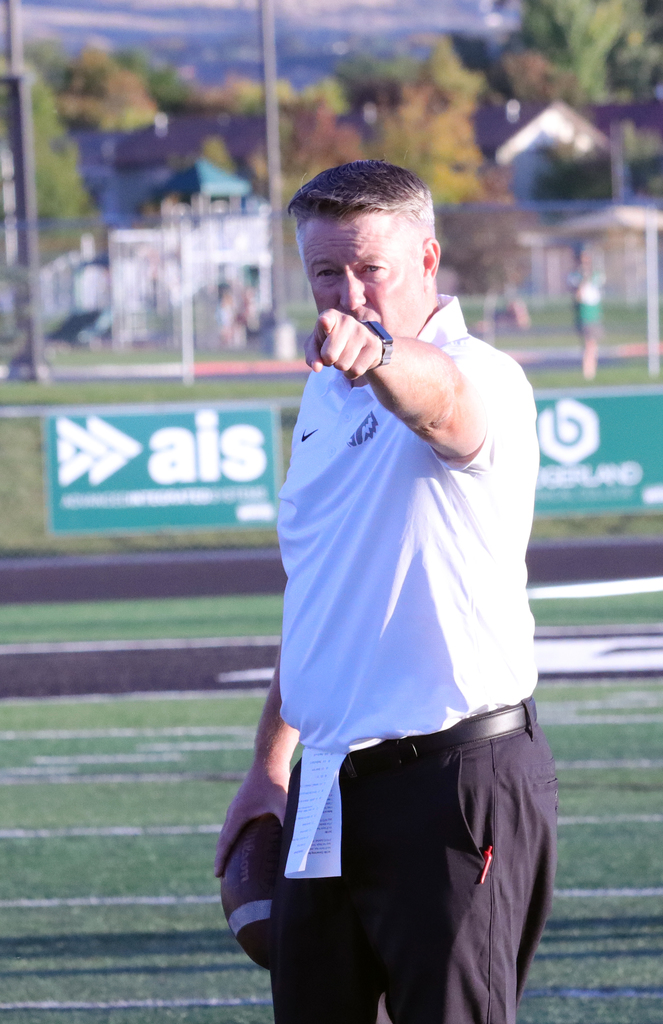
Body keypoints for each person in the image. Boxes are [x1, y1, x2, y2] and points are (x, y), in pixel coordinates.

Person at [215, 160, 557, 1024]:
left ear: (429, 258)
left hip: (448, 773)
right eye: (326, 271)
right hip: (327, 782)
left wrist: (386, 354)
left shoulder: (480, 374)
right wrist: (269, 763)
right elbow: (323, 602)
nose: (347, 291)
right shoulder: (323, 394)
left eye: (371, 267)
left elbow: (443, 406)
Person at [568, 249, 604, 380]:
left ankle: (591, 371)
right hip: (585, 315)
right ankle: (588, 373)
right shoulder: (576, 276)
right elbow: (578, 295)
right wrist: (583, 278)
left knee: (593, 346)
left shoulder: (595, 275)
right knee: (589, 344)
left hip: (595, 314)